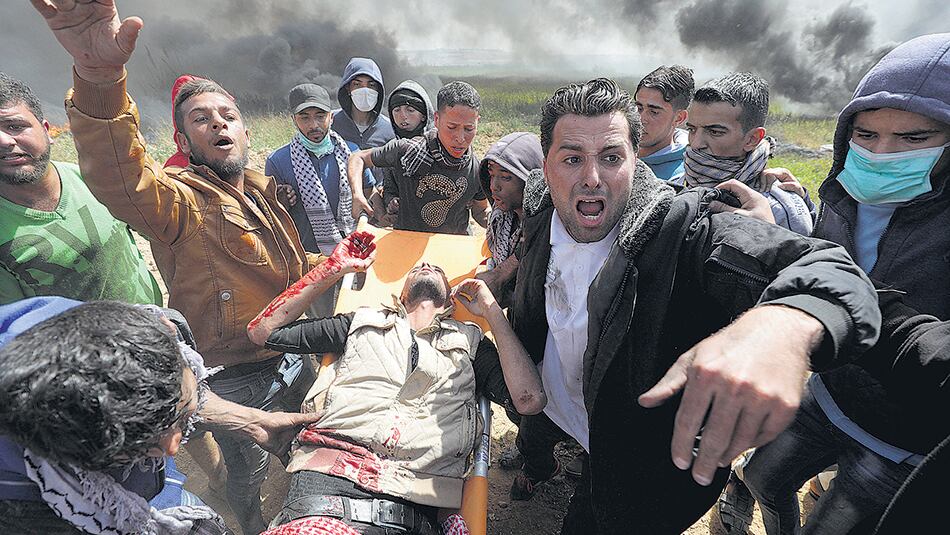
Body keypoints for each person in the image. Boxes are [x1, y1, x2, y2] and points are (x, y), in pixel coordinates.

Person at [506, 77, 881, 534]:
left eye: (610, 157)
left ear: (633, 159)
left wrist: (783, 326)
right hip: (559, 412)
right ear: (545, 166)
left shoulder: (679, 230)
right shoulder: (543, 210)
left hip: (634, 464)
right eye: (572, 159)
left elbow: (830, 270)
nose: (591, 177)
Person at [31, 3, 322, 532]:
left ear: (246, 131)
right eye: (201, 119)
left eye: (228, 116)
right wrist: (100, 78)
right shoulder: (179, 202)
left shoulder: (258, 188)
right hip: (233, 375)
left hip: (289, 352)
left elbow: (288, 268)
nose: (219, 123)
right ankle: (249, 520)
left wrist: (337, 263)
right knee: (247, 468)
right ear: (184, 145)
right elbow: (120, 177)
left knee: (300, 440)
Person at [735, 33, 950, 535]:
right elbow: (821, 257)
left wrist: (851, 305)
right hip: (830, 393)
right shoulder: (845, 193)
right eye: (867, 134)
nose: (881, 153)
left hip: (902, 438)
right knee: (763, 479)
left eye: (914, 138)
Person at [245, 231, 546, 534]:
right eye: (416, 268)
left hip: (414, 501)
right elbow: (262, 332)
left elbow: (529, 399)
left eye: (437, 270)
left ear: (450, 300)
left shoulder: (470, 342)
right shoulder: (362, 322)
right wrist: (334, 267)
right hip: (329, 482)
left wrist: (491, 310)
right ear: (402, 294)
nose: (426, 263)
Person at [0, 297, 321, 535]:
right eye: (143, 445)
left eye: (179, 417)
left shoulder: (75, 330)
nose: (172, 450)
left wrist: (253, 422)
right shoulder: (33, 506)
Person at [0, 72, 161, 306]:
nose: (4, 141)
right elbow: (14, 329)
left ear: (46, 130)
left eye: (15, 126)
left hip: (158, 332)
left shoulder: (98, 180)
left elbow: (166, 233)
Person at [265, 84, 375, 317]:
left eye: (320, 116)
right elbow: (270, 211)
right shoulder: (279, 160)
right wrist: (280, 199)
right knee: (320, 321)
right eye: (304, 117)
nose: (313, 125)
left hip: (353, 253)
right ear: (294, 120)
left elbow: (368, 190)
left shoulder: (352, 152)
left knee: (354, 316)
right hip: (311, 261)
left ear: (331, 117)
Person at [347, 81, 490, 235]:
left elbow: (480, 211)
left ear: (477, 122)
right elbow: (358, 158)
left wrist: (501, 222)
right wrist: (357, 195)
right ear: (436, 119)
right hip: (407, 246)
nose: (460, 138)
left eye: (469, 129)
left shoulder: (476, 169)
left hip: (451, 248)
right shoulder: (407, 151)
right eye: (452, 127)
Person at [680, 72, 815, 235]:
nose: (696, 144)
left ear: (752, 139)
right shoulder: (679, 183)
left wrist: (763, 234)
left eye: (715, 132)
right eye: (692, 129)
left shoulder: (779, 209)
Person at [474, 131, 543, 305]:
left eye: (506, 177)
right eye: (491, 174)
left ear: (530, 182)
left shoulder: (549, 233)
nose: (494, 186)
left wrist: (499, 275)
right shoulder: (501, 220)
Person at [379, 79, 435, 226]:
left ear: (424, 115)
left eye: (410, 110)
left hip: (445, 229)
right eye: (397, 110)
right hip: (408, 228)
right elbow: (389, 188)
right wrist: (391, 201)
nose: (403, 116)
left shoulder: (439, 145)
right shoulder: (393, 150)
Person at [634, 65, 694, 180]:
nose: (641, 119)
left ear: (679, 118)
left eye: (654, 112)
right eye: (639, 108)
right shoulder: (612, 153)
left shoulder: (682, 178)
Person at [331, 57, 395, 152]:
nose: (365, 90)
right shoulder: (331, 122)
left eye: (371, 85)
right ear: (348, 88)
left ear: (379, 90)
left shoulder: (390, 129)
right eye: (357, 84)